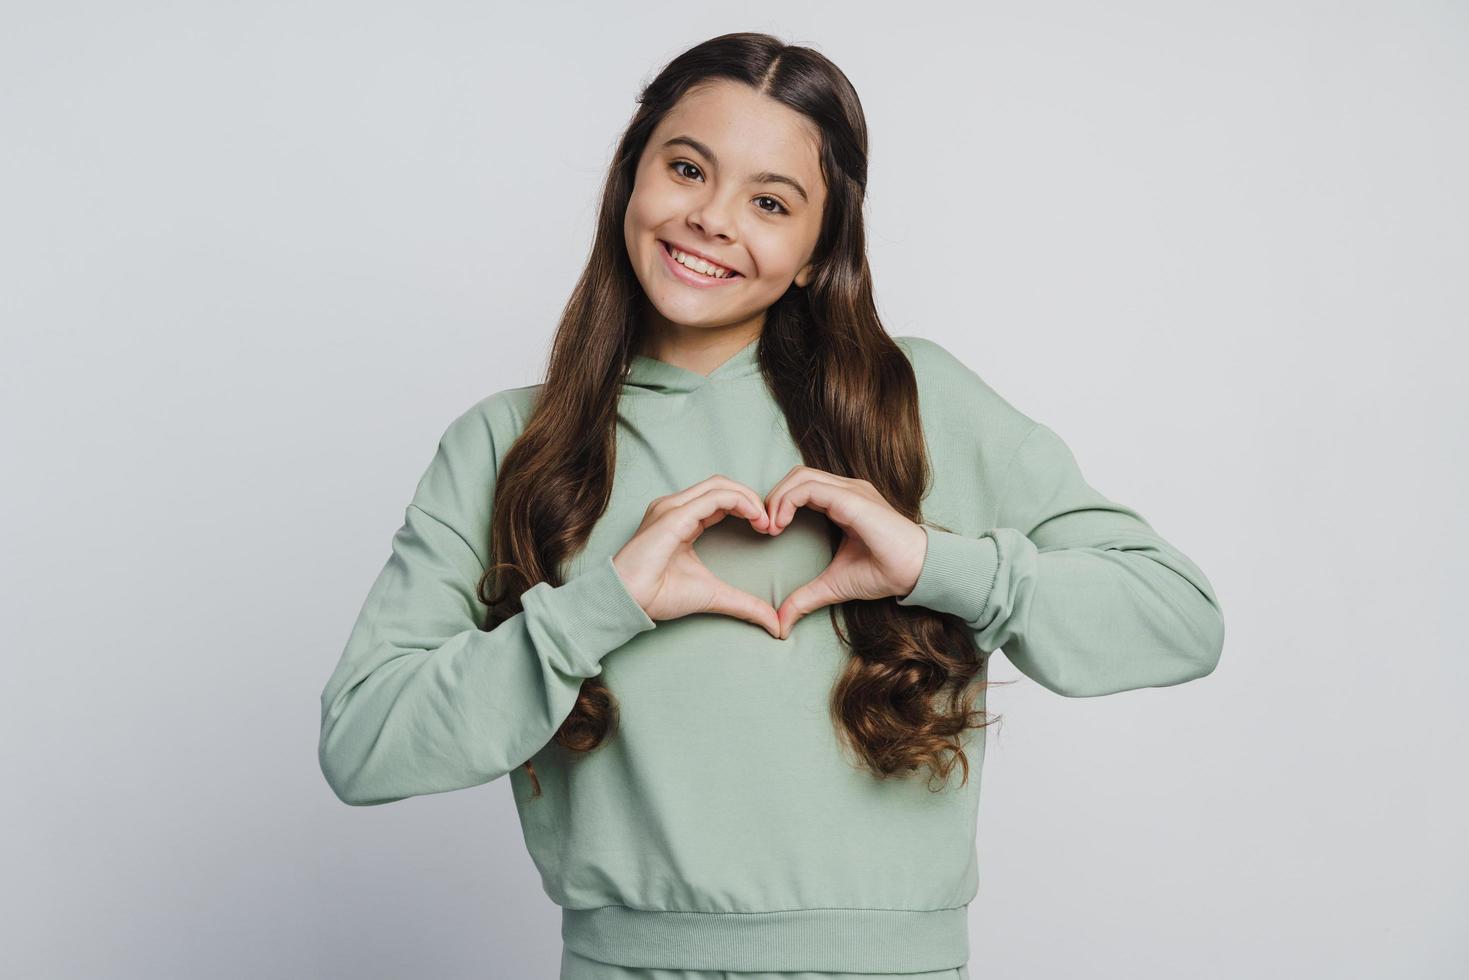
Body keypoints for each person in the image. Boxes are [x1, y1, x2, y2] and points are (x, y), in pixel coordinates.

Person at [317, 31, 1225, 980]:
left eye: (768, 202)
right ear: (631, 177)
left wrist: (932, 562)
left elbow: (1178, 620)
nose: (711, 218)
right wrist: (601, 605)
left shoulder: (917, 404)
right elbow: (365, 744)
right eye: (685, 168)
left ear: (813, 251)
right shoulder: (509, 444)